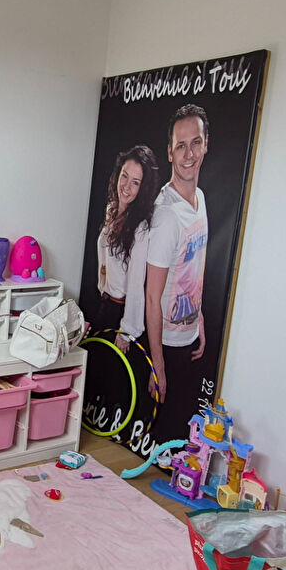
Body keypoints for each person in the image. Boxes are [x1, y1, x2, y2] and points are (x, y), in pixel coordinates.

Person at [144, 103, 209, 441]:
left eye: (195, 143)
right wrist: (158, 364)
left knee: (183, 444)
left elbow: (194, 266)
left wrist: (199, 318)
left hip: (190, 339)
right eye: (180, 146)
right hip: (166, 345)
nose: (189, 154)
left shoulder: (199, 199)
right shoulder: (166, 216)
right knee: (162, 442)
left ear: (206, 144)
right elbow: (151, 296)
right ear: (170, 153)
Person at [94, 145, 159, 342]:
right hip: (104, 305)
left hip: (120, 313)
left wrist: (127, 330)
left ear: (143, 188)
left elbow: (136, 283)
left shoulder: (140, 229)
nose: (126, 186)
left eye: (135, 182)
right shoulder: (112, 210)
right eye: (124, 176)